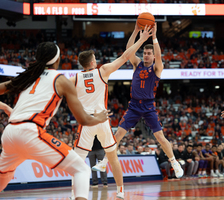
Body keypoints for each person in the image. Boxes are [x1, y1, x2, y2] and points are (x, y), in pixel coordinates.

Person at [0, 42, 111, 200]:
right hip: (30, 132)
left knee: (3, 178)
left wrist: (3, 106)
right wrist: (99, 118)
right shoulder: (61, 80)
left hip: (9, 133)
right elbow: (83, 119)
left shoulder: (27, 76)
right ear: (57, 59)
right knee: (81, 170)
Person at [69, 27, 153, 200]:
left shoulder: (74, 78)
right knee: (113, 157)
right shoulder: (102, 71)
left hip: (86, 122)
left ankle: (73, 194)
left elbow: (56, 88)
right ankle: (120, 191)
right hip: (102, 120)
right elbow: (124, 56)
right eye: (95, 59)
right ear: (92, 62)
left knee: (77, 162)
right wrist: (141, 39)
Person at [92, 23, 183, 178]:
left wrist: (154, 37)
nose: (146, 55)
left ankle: (174, 162)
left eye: (149, 53)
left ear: (153, 56)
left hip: (148, 106)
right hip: (134, 105)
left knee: (160, 137)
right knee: (119, 134)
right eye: (145, 52)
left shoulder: (156, 68)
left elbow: (159, 56)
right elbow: (129, 51)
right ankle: (105, 161)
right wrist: (135, 31)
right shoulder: (137, 64)